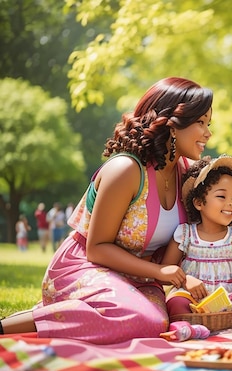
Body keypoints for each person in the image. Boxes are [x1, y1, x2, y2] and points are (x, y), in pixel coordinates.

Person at [0, 77, 214, 344]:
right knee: (142, 320)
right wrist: (160, 273)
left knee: (157, 322)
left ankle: (59, 317)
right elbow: (97, 247)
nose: (208, 133)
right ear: (172, 124)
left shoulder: (184, 174)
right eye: (201, 123)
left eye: (208, 124)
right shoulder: (126, 170)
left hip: (139, 278)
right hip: (85, 267)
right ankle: (8, 327)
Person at [163, 155, 232, 316]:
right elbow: (165, 271)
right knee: (175, 301)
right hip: (195, 298)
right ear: (198, 203)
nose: (230, 203)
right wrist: (185, 280)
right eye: (221, 196)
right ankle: (193, 326)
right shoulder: (185, 233)